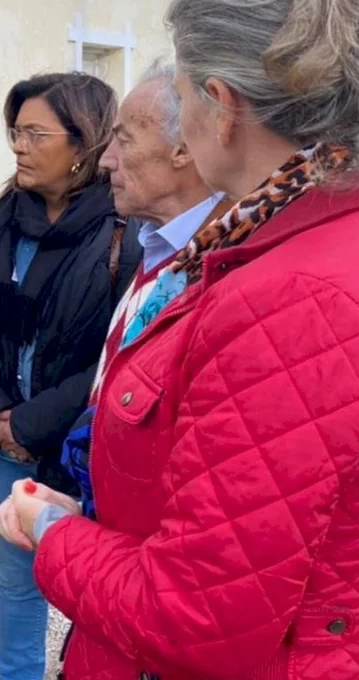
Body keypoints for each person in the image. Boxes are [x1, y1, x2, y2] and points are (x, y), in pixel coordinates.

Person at [0, 0, 359, 680]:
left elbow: (196, 617)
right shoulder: (327, 235)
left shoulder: (298, 298)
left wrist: (53, 533)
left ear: (222, 107)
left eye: (185, 92)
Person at [0, 71, 141, 680]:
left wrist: (30, 422)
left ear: (83, 144)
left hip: (78, 450)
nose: (18, 146)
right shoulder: (5, 216)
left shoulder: (125, 229)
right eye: (15, 131)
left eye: (34, 133)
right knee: (18, 581)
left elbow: (117, 356)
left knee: (101, 585)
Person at [57, 60, 228, 523]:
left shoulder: (218, 266)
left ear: (183, 149)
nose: (106, 158)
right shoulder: (159, 244)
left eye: (124, 139)